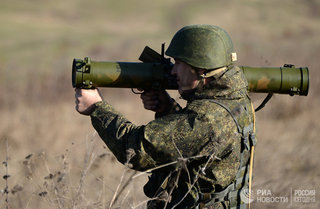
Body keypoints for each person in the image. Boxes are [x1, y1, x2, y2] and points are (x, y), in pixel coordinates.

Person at [75, 25, 256, 209]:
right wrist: (167, 109)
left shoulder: (205, 119)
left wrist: (96, 108)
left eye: (178, 63)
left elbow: (136, 149)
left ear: (201, 69)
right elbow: (194, 146)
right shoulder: (234, 98)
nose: (173, 71)